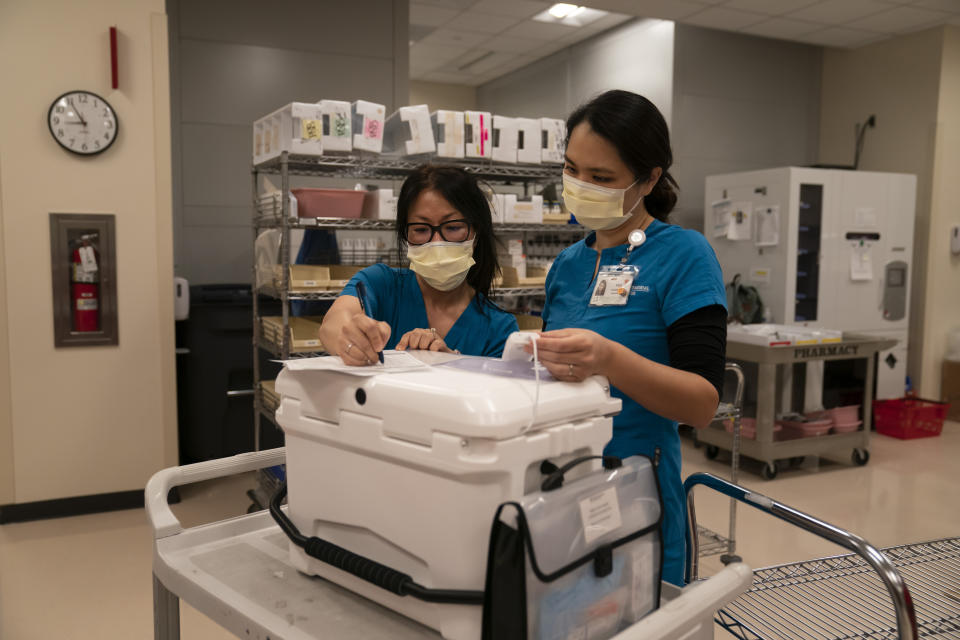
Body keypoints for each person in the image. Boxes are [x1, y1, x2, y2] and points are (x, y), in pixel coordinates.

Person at [531, 90, 727, 585]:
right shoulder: (569, 264)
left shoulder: (684, 256)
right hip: (561, 484)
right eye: (572, 169)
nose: (580, 186)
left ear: (649, 179)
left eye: (600, 178)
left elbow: (702, 403)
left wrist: (610, 359)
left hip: (637, 486)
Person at [319, 165, 518, 364]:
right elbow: (333, 323)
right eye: (421, 229)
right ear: (405, 234)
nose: (436, 242)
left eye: (453, 227)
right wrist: (349, 337)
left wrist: (453, 365)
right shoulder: (380, 283)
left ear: (476, 233)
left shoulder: (499, 328)